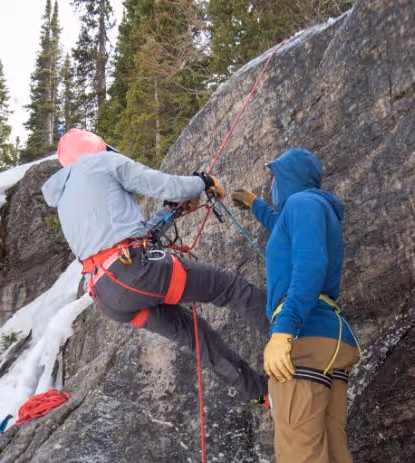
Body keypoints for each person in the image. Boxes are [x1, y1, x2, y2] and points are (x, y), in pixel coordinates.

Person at [231, 148, 379, 463]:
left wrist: (283, 330)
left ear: (289, 179)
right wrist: (253, 205)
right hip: (331, 343)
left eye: (274, 179)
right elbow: (284, 228)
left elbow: (310, 264)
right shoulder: (309, 208)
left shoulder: (301, 203)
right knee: (333, 462)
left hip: (304, 342)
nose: (272, 186)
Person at [41, 128, 269, 399]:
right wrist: (202, 181)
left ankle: (262, 393)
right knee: (230, 288)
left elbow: (122, 239)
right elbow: (166, 185)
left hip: (106, 295)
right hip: (134, 272)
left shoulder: (65, 198)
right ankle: (297, 342)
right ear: (97, 148)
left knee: (195, 334)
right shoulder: (102, 162)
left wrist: (170, 211)